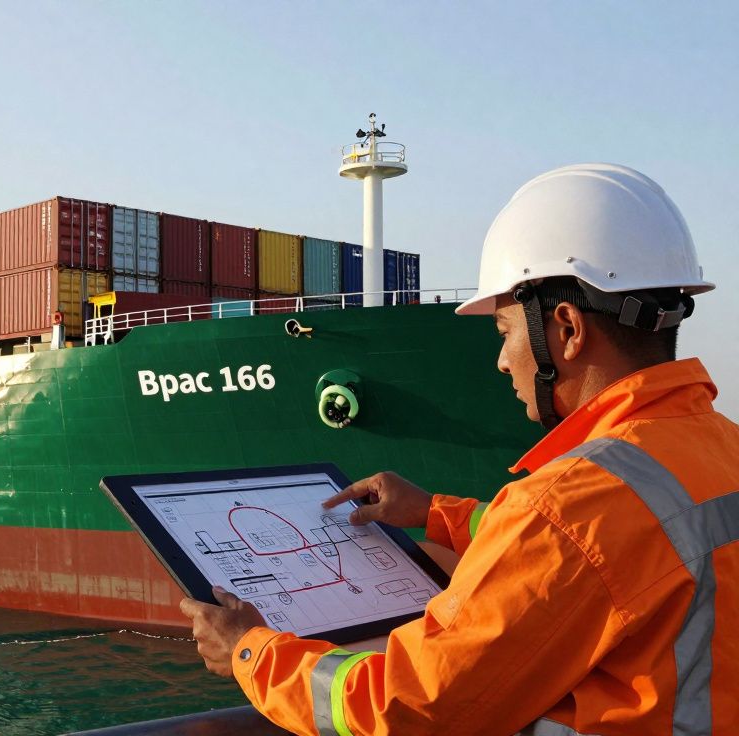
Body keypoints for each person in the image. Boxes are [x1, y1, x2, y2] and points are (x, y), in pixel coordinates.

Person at [181, 164, 737, 735]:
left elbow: (414, 708)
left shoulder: (565, 504)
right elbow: (605, 549)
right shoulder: (719, 447)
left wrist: (251, 651)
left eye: (503, 333)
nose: (501, 361)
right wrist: (434, 514)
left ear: (567, 328)